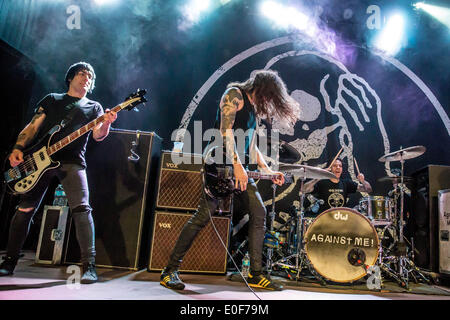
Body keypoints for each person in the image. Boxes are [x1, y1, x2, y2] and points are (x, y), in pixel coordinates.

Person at [160, 69, 299, 291]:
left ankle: (256, 274)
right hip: (219, 164)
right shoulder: (234, 95)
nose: (270, 103)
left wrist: (268, 170)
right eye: (270, 97)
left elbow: (252, 146)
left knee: (259, 212)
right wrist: (237, 166)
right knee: (202, 217)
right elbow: (225, 132)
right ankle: (169, 271)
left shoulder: (254, 110)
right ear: (262, 90)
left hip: (239, 168)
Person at [0, 62, 117, 283]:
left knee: (82, 209)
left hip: (73, 162)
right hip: (39, 161)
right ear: (71, 77)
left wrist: (107, 124)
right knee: (25, 208)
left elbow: (98, 136)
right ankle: (9, 262)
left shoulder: (94, 107)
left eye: (90, 76)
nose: (87, 78)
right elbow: (32, 127)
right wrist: (18, 148)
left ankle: (89, 267)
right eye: (82, 73)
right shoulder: (52, 99)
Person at [303, 158, 372, 214]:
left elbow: (368, 189)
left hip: (341, 219)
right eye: (335, 166)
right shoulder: (322, 182)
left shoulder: (346, 183)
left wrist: (363, 181)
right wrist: (319, 176)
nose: (338, 167)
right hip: (324, 219)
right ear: (330, 168)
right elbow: (304, 189)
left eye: (340, 166)